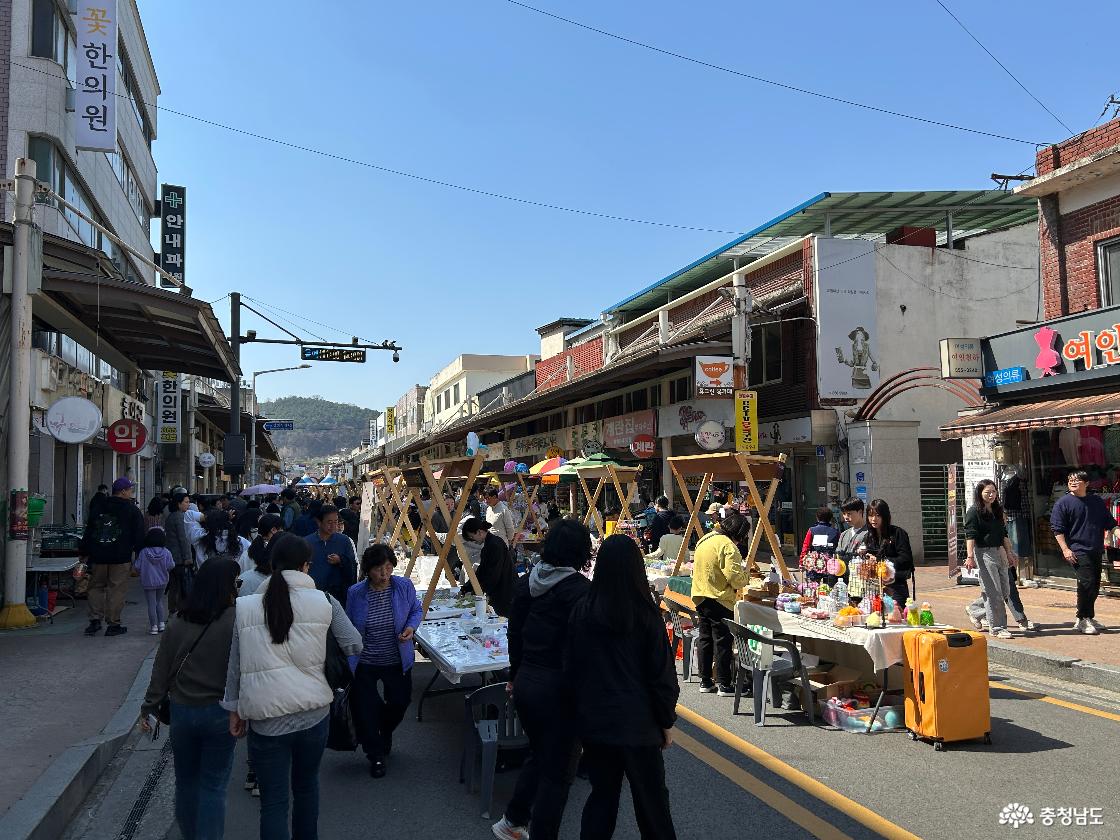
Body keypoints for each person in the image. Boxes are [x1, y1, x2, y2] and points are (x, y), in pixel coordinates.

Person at [223, 534, 362, 840]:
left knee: (273, 802)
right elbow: (354, 644)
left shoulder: (245, 606)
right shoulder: (325, 601)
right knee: (307, 788)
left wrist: (234, 710)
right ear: (306, 566)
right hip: (314, 714)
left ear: (271, 565)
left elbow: (236, 664)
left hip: (265, 719)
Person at [566, 535, 679, 840]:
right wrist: (665, 721)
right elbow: (661, 676)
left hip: (596, 721)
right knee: (652, 802)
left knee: (603, 797)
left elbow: (572, 669)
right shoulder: (647, 614)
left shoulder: (583, 610)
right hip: (639, 724)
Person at [492, 520, 592, 840]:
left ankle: (512, 820)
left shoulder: (528, 581)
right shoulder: (580, 591)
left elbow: (514, 633)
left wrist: (515, 672)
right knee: (559, 772)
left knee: (541, 753)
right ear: (580, 552)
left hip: (526, 684)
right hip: (560, 691)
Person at [141, 558, 240, 840]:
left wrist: (149, 706)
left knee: (186, 782)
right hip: (220, 712)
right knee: (213, 785)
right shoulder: (235, 620)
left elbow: (160, 669)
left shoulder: (177, 620)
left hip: (183, 711)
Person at [344, 545, 423, 779]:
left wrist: (410, 628)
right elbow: (348, 623)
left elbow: (416, 611)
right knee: (366, 710)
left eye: (388, 568)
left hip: (396, 658)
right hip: (365, 660)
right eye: (379, 569)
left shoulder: (403, 586)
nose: (384, 574)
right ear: (368, 570)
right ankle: (375, 754)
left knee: (400, 702)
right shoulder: (356, 593)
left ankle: (384, 730)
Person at [1050, 469, 1120, 634]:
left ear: (1087, 483)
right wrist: (1065, 549)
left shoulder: (1096, 502)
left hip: (1096, 548)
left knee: (1095, 585)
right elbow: (1057, 529)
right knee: (1086, 584)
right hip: (1077, 550)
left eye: (1077, 480)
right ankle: (1083, 619)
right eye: (1070, 480)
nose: (1073, 483)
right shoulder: (1063, 503)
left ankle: (1087, 616)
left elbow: (1111, 524)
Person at [690, 511, 751, 696]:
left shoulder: (705, 539)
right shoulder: (728, 546)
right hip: (720, 598)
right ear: (738, 533)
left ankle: (705, 681)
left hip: (700, 595)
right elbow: (735, 578)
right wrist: (746, 577)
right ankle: (724, 684)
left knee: (705, 638)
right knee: (722, 641)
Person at [964, 479, 1033, 639]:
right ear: (980, 494)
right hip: (984, 553)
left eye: (993, 492)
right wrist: (969, 556)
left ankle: (975, 609)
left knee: (1004, 590)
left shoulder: (998, 510)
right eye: (987, 492)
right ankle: (997, 627)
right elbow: (970, 535)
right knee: (993, 591)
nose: (991, 495)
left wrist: (1010, 553)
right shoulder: (973, 511)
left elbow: (1004, 533)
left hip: (1000, 551)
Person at [81, 477, 146, 637]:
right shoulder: (132, 510)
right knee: (116, 589)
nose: (131, 492)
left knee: (95, 587)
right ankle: (113, 624)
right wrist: (139, 556)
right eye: (130, 489)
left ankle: (95, 621)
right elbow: (139, 535)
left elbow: (89, 530)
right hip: (120, 556)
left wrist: (84, 551)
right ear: (123, 491)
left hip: (98, 555)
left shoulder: (99, 506)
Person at [461, 517, 516, 617]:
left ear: (479, 532)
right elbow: (482, 570)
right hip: (500, 590)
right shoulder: (491, 543)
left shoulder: (494, 545)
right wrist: (468, 587)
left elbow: (493, 574)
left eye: (472, 537)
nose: (473, 540)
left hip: (504, 591)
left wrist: (479, 591)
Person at [864, 499, 914, 605]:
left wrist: (880, 560)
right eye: (870, 515)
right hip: (873, 587)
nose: (873, 519)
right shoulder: (868, 536)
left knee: (896, 618)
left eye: (878, 515)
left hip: (896, 586)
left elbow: (906, 559)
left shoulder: (898, 533)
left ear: (885, 516)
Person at [304, 504, 357, 604]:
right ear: (319, 522)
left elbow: (353, 565)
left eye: (336, 522)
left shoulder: (344, 540)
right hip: (313, 594)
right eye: (329, 522)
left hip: (338, 596)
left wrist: (341, 560)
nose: (333, 526)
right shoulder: (307, 542)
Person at [135, 527, 176, 635]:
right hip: (162, 581)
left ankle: (154, 626)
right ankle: (161, 624)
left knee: (151, 604)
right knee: (159, 602)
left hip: (148, 582)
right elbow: (171, 565)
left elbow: (137, 566)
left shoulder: (144, 552)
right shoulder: (166, 552)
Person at [165, 492, 196, 612]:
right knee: (180, 586)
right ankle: (177, 612)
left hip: (172, 557)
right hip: (179, 558)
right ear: (179, 504)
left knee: (173, 586)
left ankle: (172, 611)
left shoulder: (171, 516)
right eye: (186, 502)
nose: (188, 505)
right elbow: (183, 539)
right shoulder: (179, 517)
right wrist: (188, 557)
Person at [239, 514, 283, 597]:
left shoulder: (247, 552)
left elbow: (240, 575)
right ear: (273, 530)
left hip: (246, 596)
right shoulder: (277, 552)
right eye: (281, 529)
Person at [836, 497, 868, 574]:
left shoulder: (869, 533)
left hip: (860, 578)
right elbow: (837, 555)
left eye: (849, 513)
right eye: (844, 514)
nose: (846, 517)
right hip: (842, 577)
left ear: (860, 512)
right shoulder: (844, 534)